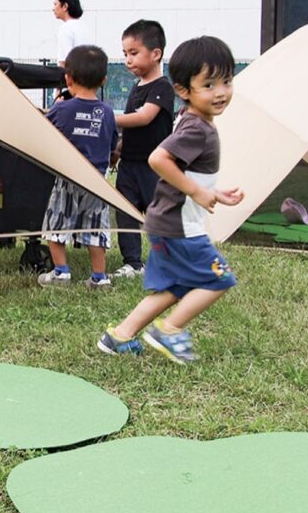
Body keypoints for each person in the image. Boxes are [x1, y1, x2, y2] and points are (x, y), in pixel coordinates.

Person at [97, 36, 244, 364]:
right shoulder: (197, 129)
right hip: (180, 228)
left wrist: (211, 192)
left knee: (174, 288)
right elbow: (158, 159)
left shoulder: (192, 119)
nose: (220, 92)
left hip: (166, 222)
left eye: (226, 81)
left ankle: (119, 336)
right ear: (184, 90)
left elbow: (182, 171)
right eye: (208, 84)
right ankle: (170, 329)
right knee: (219, 278)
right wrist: (198, 192)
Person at [38, 45, 118, 290]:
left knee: (57, 222)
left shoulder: (62, 109)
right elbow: (113, 143)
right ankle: (99, 276)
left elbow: (43, 130)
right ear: (103, 80)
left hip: (68, 178)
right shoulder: (107, 112)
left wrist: (54, 105)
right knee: (96, 227)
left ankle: (61, 272)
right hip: (97, 180)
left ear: (68, 78)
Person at [110, 20, 175, 279]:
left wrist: (106, 116)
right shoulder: (136, 88)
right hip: (128, 164)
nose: (127, 59)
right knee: (125, 212)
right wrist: (118, 149)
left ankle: (168, 261)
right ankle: (133, 263)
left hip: (154, 166)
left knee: (157, 216)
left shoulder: (162, 88)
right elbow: (131, 128)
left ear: (155, 53)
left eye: (133, 53)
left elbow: (144, 118)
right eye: (125, 53)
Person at [53, 0, 94, 67]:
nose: (53, 8)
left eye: (55, 4)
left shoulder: (65, 28)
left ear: (65, 6)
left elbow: (65, 62)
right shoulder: (83, 26)